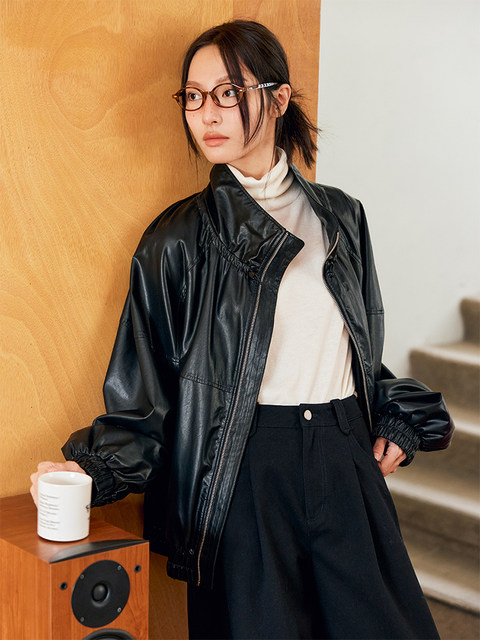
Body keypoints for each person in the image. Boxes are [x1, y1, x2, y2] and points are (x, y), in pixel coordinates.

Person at [30, 20, 454, 640]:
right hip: (243, 469)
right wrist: (90, 471)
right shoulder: (177, 239)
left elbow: (350, 352)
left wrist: (395, 415)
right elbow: (146, 396)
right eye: (193, 96)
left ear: (278, 100)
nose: (207, 113)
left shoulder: (341, 216)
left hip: (343, 459)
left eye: (229, 93)